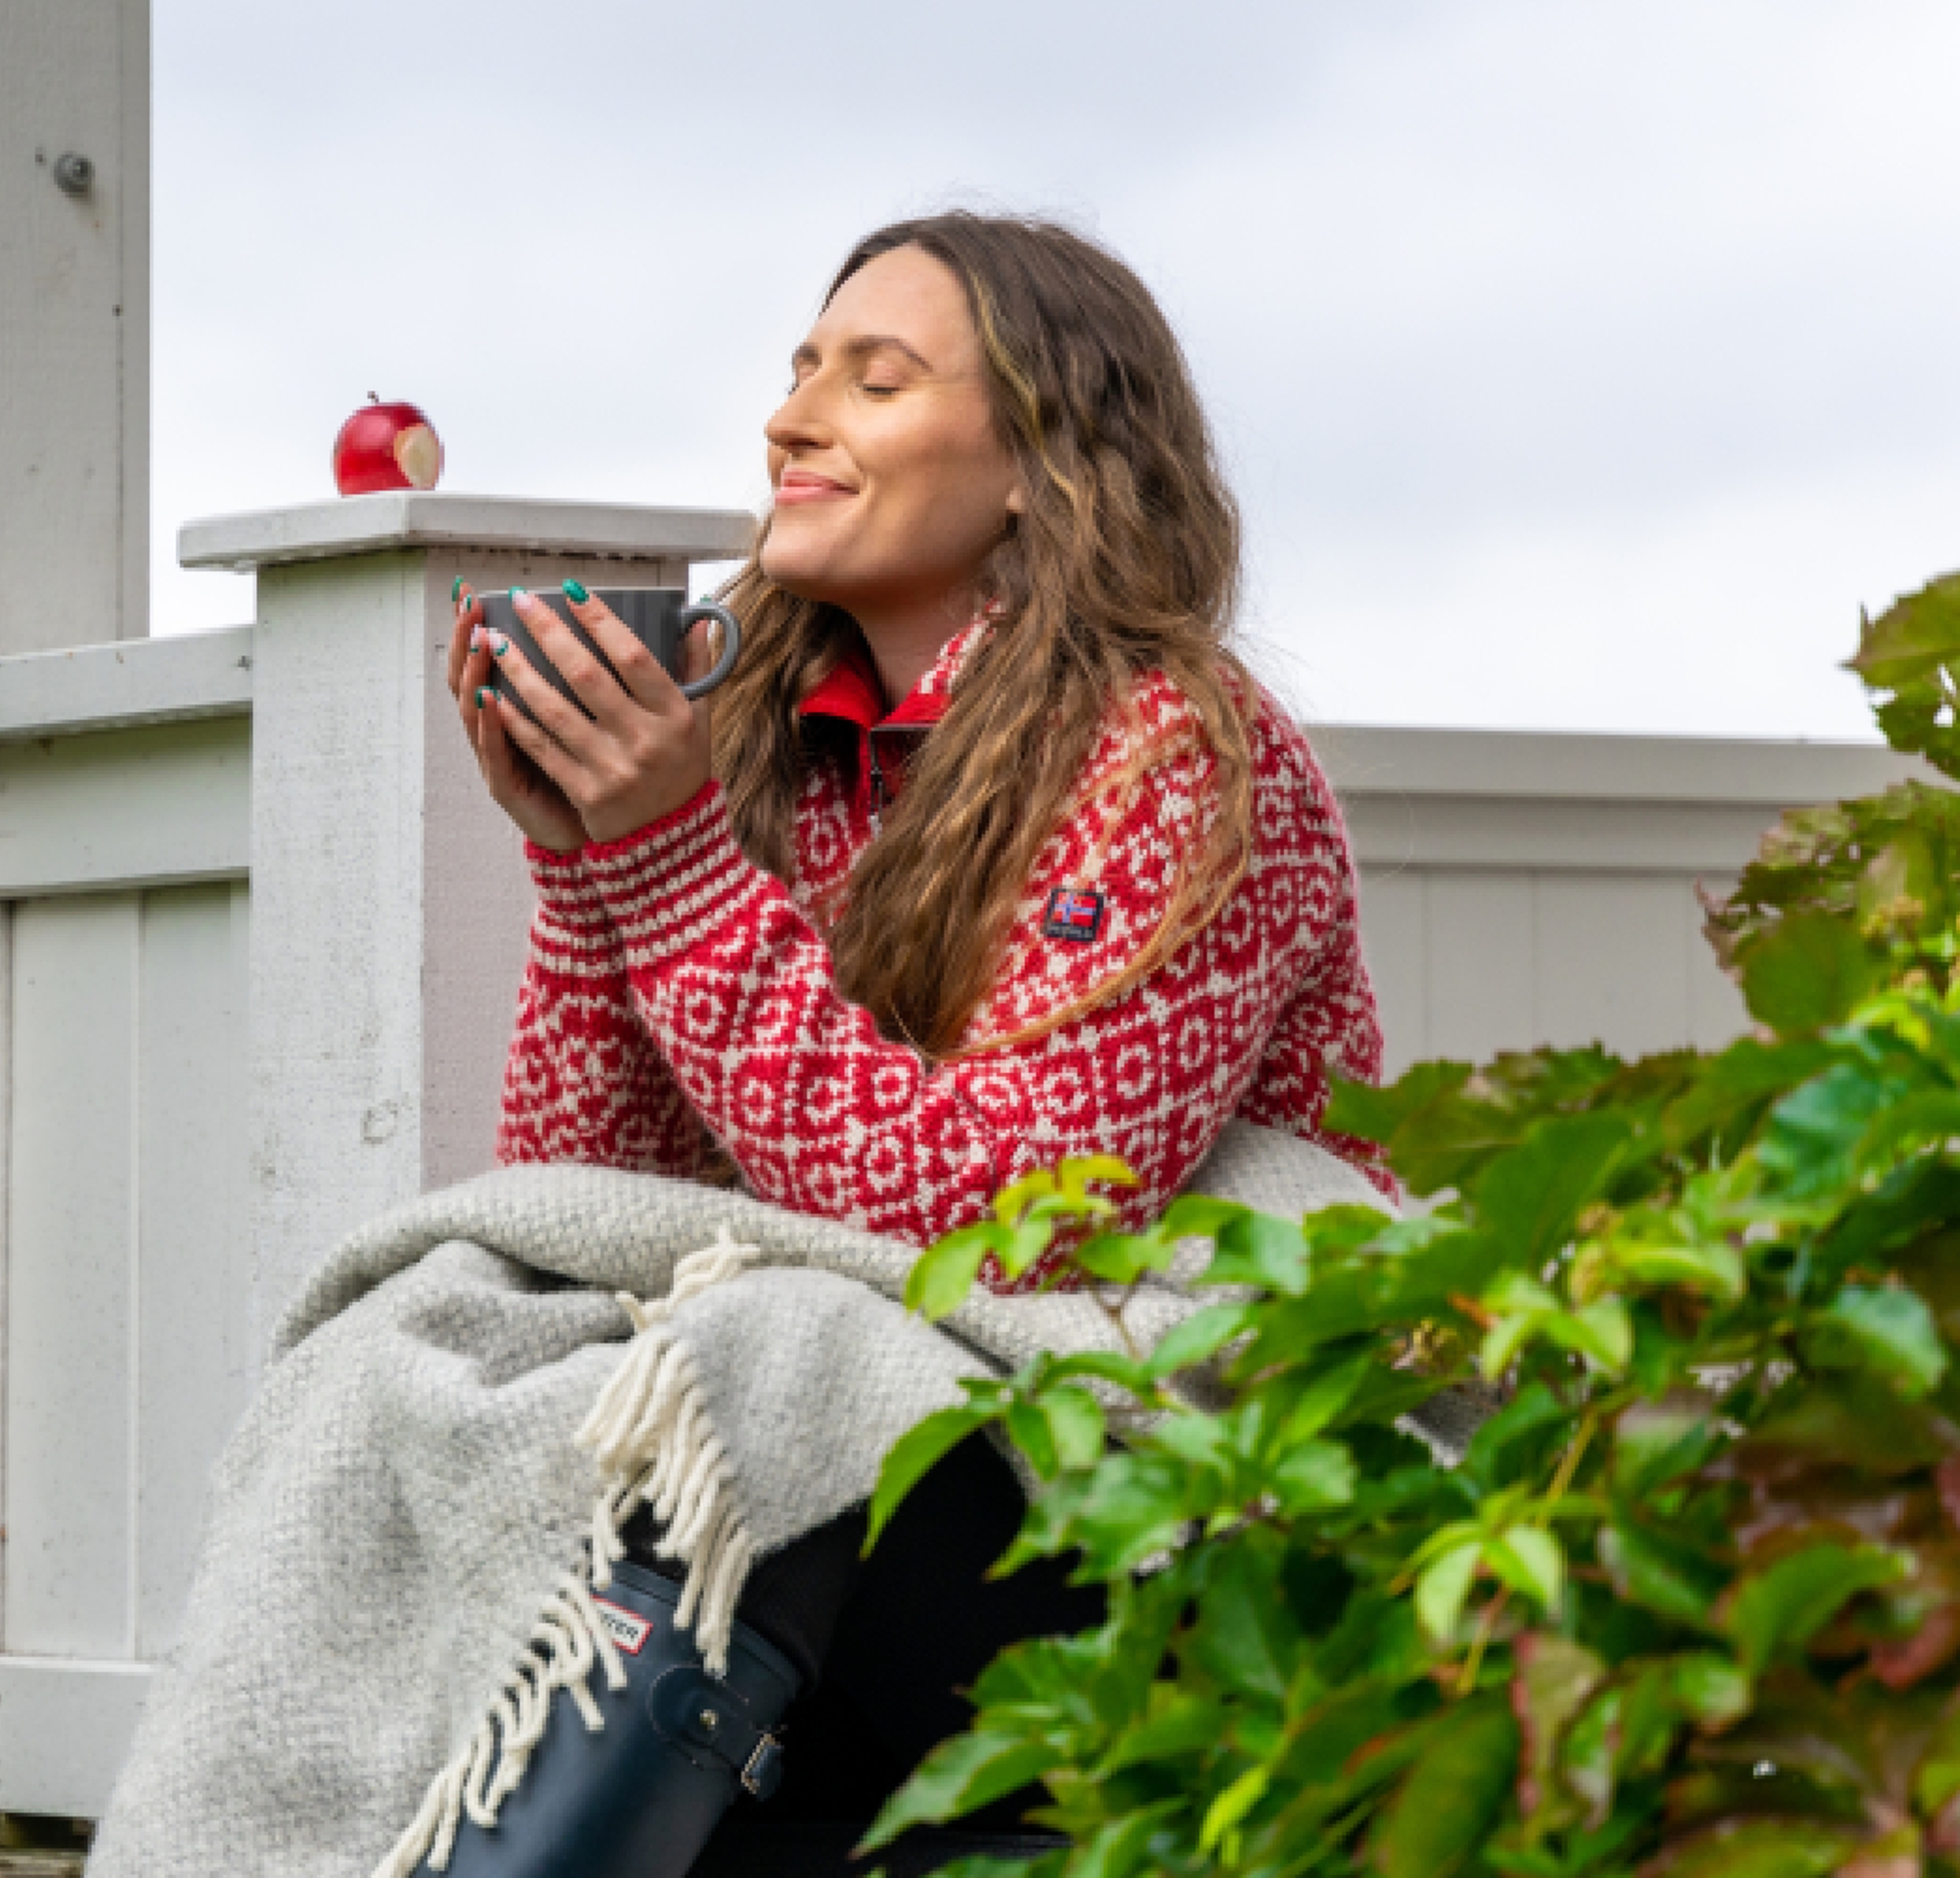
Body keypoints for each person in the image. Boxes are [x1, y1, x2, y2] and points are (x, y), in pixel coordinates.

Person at [440, 213, 1391, 1874]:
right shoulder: (763, 747)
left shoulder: (1187, 758)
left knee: (785, 1374)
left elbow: (1006, 1211)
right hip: (892, 1561)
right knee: (469, 1358)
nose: (793, 418)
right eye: (801, 370)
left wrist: (658, 861)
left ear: (1046, 463)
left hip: (1179, 1498)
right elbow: (592, 1194)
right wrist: (582, 850)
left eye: (875, 381)